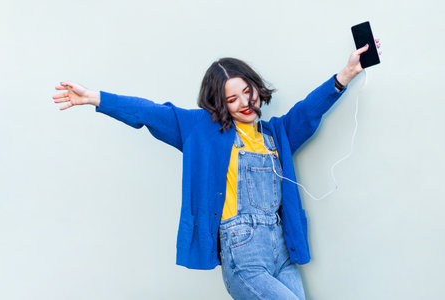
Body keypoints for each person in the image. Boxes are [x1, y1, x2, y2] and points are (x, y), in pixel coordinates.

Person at [53, 40, 381, 300]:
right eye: (232, 98)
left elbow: (309, 111)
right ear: (218, 104)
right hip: (243, 255)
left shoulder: (276, 133)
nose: (245, 102)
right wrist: (95, 98)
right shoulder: (202, 131)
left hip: (282, 250)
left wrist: (347, 73)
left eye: (247, 92)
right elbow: (150, 113)